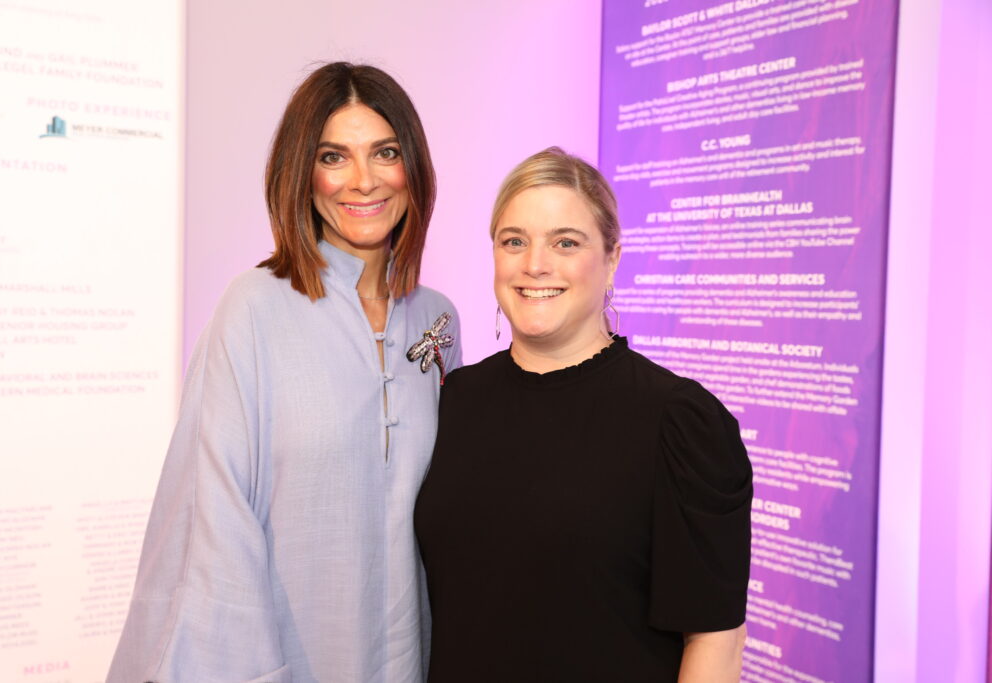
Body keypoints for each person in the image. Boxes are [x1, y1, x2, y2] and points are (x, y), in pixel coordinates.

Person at [108, 62, 461, 683]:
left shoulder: (438, 320)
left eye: (385, 152)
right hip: (287, 661)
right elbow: (212, 523)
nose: (363, 180)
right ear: (302, 174)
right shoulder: (253, 309)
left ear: (415, 169)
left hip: (409, 658)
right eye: (334, 157)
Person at [414, 147, 751, 682]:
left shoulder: (680, 422)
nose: (534, 265)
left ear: (613, 257)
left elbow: (715, 639)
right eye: (514, 241)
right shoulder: (458, 397)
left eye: (565, 242)